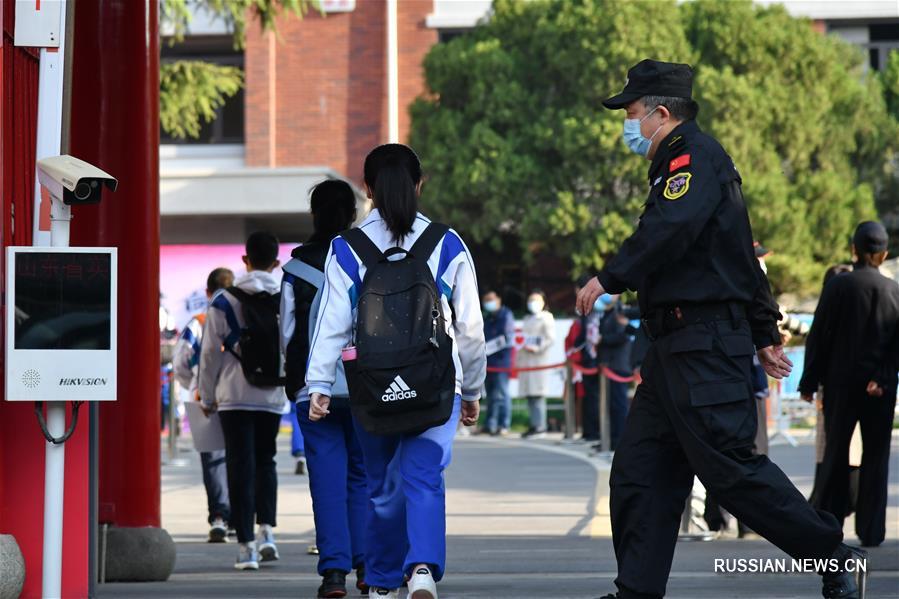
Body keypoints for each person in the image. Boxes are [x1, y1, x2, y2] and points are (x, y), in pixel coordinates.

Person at [577, 59, 861, 599]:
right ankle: (637, 589)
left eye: (632, 112)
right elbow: (737, 254)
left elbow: (672, 229)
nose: (627, 123)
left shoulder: (694, 158)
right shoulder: (679, 165)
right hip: (673, 352)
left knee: (732, 471)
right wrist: (764, 331)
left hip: (702, 347)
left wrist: (611, 276)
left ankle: (834, 559)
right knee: (641, 472)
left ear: (661, 113)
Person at [306, 144, 486, 599]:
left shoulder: (347, 248)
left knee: (383, 487)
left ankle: (383, 583)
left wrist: (320, 384)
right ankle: (422, 569)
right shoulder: (446, 243)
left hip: (372, 385)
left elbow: (331, 323)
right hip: (437, 384)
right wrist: (474, 389)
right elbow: (470, 326)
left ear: (366, 189)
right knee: (424, 475)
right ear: (419, 184)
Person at [281, 179, 369, 597]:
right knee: (364, 477)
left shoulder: (296, 269)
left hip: (311, 389)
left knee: (326, 480)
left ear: (314, 216)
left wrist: (295, 381)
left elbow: (288, 334)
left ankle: (334, 573)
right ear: (353, 215)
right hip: (365, 386)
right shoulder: (366, 260)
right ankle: (369, 565)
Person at [799, 221, 899, 548]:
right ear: (883, 254)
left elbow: (819, 337)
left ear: (853, 250)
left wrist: (809, 380)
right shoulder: (894, 291)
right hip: (879, 389)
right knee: (876, 455)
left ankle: (830, 524)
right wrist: (881, 377)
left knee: (836, 454)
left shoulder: (839, 286)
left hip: (840, 385)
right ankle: (872, 531)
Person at [199, 231, 286, 571]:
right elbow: (290, 346)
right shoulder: (285, 297)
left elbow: (209, 355)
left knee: (239, 465)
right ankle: (267, 533)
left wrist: (207, 396)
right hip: (271, 395)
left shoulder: (223, 300)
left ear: (244, 261)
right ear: (276, 262)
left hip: (234, 397)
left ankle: (246, 546)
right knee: (267, 461)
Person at [172, 267, 234, 543]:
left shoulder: (198, 321)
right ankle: (241, 516)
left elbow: (181, 361)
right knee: (240, 456)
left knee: (212, 458)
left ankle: (219, 516)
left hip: (204, 398)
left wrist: (191, 384)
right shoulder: (241, 315)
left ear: (207, 292)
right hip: (238, 396)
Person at [565, 276, 602, 441]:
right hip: (587, 359)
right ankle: (588, 431)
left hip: (596, 359)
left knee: (594, 398)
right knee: (587, 397)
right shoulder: (589, 308)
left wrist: (574, 348)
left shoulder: (594, 306)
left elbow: (585, 335)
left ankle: (595, 432)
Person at [517, 290, 556, 438]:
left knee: (538, 394)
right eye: (530, 300)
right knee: (530, 395)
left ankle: (541, 426)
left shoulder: (546, 318)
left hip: (538, 359)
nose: (532, 303)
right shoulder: (527, 318)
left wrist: (538, 347)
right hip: (526, 360)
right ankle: (534, 424)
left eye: (536, 300)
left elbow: (550, 338)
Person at [597, 294, 633, 450]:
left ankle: (619, 441)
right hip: (609, 365)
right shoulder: (606, 312)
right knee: (610, 406)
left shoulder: (620, 311)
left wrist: (602, 339)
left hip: (618, 365)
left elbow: (622, 336)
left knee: (619, 406)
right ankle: (610, 439)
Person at [482, 290, 515, 436]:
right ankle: (490, 424)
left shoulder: (506, 315)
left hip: (501, 362)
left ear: (499, 300)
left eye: (491, 299)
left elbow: (507, 338)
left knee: (503, 394)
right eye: (486, 300)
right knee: (491, 395)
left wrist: (487, 348)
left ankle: (504, 424)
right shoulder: (487, 318)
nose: (489, 303)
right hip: (488, 363)